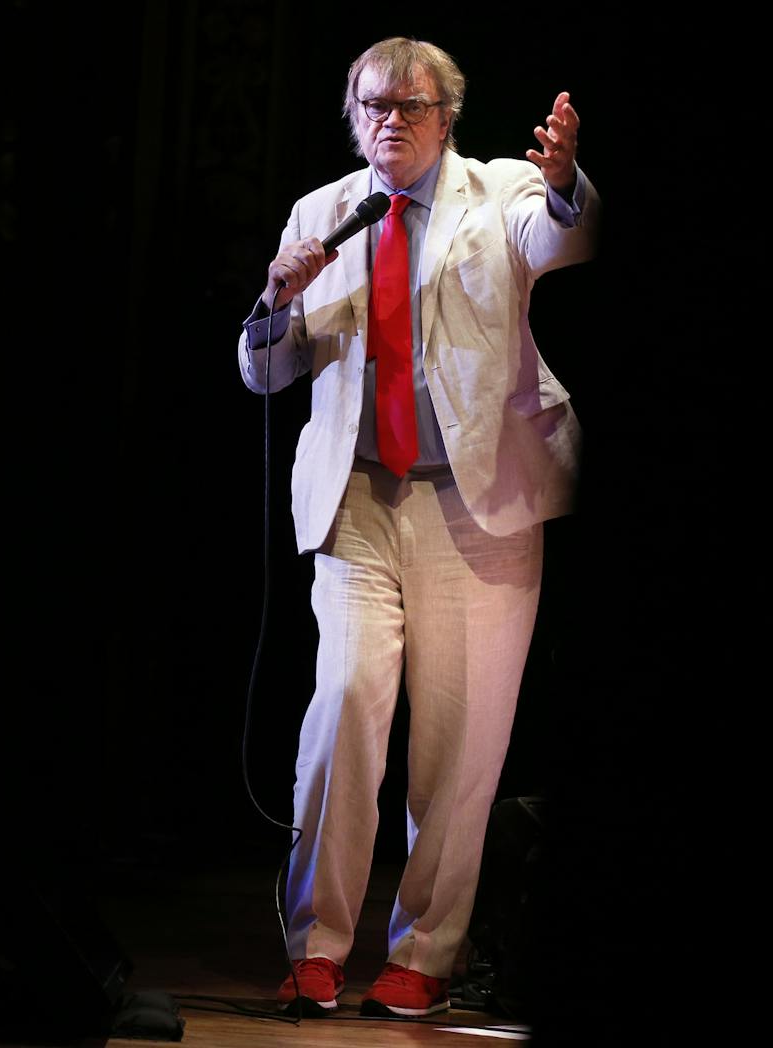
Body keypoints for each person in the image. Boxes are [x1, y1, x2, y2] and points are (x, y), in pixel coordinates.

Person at [236, 37, 597, 1019]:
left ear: (447, 117)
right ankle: (316, 942)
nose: (388, 118)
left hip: (477, 507)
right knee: (344, 705)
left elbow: (562, 235)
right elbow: (264, 370)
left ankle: (423, 952)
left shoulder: (503, 191)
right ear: (352, 121)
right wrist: (276, 299)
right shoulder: (321, 211)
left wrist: (567, 185)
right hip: (355, 503)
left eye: (409, 103)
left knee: (458, 742)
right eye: (370, 106)